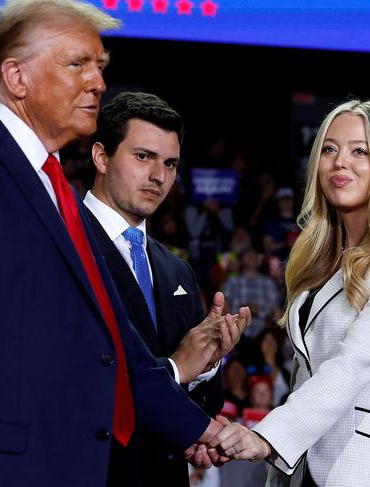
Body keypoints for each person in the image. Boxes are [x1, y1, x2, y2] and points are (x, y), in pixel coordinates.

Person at [0, 2, 226, 486]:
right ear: (17, 77)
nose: (97, 82)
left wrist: (200, 429)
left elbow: (117, 346)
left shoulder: (61, 196)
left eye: (100, 67)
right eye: (78, 63)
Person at [209, 99, 370, 486]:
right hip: (311, 469)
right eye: (329, 149)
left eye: (360, 151)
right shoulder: (316, 253)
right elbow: (306, 376)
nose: (340, 162)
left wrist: (268, 437)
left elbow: (354, 360)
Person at [84, 91, 250, 486]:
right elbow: (84, 380)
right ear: (101, 156)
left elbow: (202, 405)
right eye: (143, 157)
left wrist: (207, 365)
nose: (159, 176)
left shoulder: (177, 270)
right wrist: (178, 366)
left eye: (170, 163)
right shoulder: (64, 247)